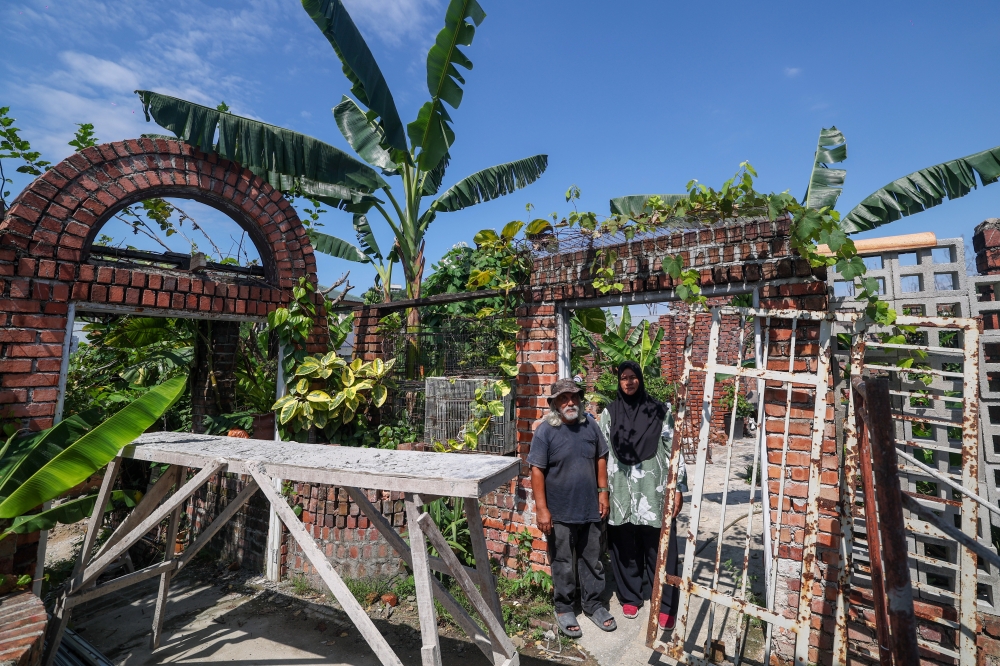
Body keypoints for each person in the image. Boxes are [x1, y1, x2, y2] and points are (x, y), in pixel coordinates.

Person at [599, 361, 687, 630]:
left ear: (640, 379)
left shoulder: (660, 411)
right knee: (624, 544)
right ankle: (630, 595)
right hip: (621, 490)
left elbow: (674, 450)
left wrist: (679, 487)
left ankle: (666, 602)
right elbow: (601, 454)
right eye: (624, 378)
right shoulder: (609, 413)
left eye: (633, 377)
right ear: (619, 382)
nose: (628, 382)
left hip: (654, 489)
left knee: (660, 544)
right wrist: (602, 490)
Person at [529, 378, 617, 637]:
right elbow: (536, 471)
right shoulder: (545, 431)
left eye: (574, 397)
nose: (570, 402)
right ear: (554, 404)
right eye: (563, 398)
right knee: (564, 561)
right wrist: (542, 509)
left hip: (590, 506)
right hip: (560, 511)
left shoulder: (590, 425)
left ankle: (593, 604)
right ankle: (564, 607)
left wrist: (603, 494)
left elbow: (601, 458)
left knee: (593, 559)